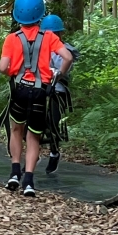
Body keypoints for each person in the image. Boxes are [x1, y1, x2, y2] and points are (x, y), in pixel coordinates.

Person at [0, 0, 71, 197]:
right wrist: (58, 75)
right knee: (34, 136)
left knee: (15, 130)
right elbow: (67, 57)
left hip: (19, 90)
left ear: (17, 14)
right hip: (41, 92)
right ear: (41, 13)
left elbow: (3, 67)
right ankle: (28, 181)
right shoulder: (49, 37)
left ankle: (14, 173)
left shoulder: (12, 39)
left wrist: (13, 72)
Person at [38, 13, 76, 176]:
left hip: (57, 91)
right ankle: (34, 155)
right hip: (39, 89)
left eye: (54, 33)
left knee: (52, 123)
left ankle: (54, 152)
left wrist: (53, 73)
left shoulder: (65, 50)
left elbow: (63, 70)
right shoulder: (40, 47)